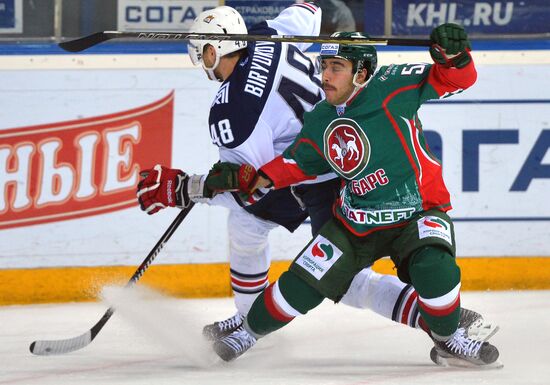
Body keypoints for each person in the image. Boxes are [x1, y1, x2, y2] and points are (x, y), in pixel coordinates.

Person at [136, 5, 499, 366]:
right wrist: (207, 184)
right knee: (267, 240)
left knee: (349, 276)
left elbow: (255, 189)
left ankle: (441, 325)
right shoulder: (274, 41)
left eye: (335, 67)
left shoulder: (235, 112)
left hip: (360, 189)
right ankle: (250, 320)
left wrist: (188, 188)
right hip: (335, 182)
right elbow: (311, 10)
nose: (325, 75)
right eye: (324, 66)